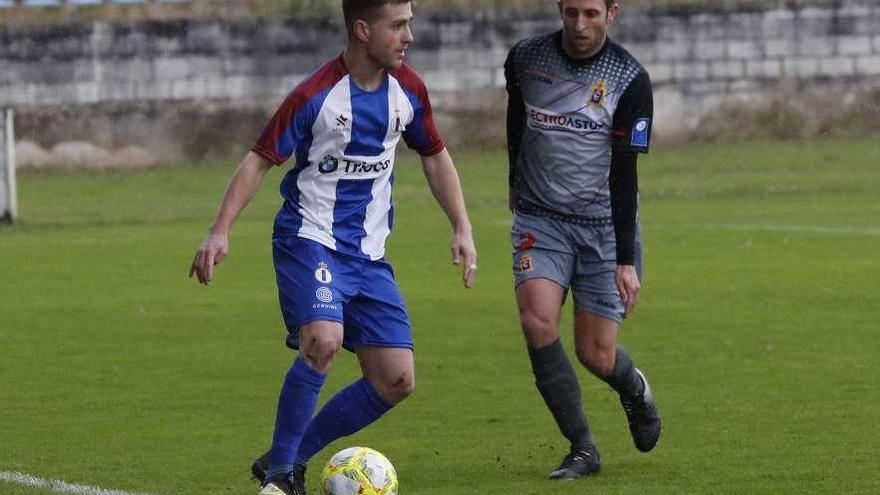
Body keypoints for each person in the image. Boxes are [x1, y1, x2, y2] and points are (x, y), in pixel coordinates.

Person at [189, 1, 477, 493]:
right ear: (363, 30)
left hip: (369, 255)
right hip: (309, 239)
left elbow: (435, 155)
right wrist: (220, 229)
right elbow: (260, 160)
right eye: (399, 25)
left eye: (409, 23)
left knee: (396, 379)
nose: (409, 35)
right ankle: (281, 478)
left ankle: (287, 458)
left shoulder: (408, 89)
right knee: (323, 340)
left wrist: (462, 226)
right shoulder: (315, 94)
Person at [504, 0, 661, 480]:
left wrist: (625, 258)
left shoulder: (629, 79)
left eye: (591, 13)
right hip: (540, 219)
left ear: (612, 12)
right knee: (537, 321)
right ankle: (583, 448)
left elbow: (625, 173)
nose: (579, 25)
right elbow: (516, 118)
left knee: (595, 354)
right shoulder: (525, 60)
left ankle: (633, 387)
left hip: (602, 228)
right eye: (571, 12)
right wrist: (514, 178)